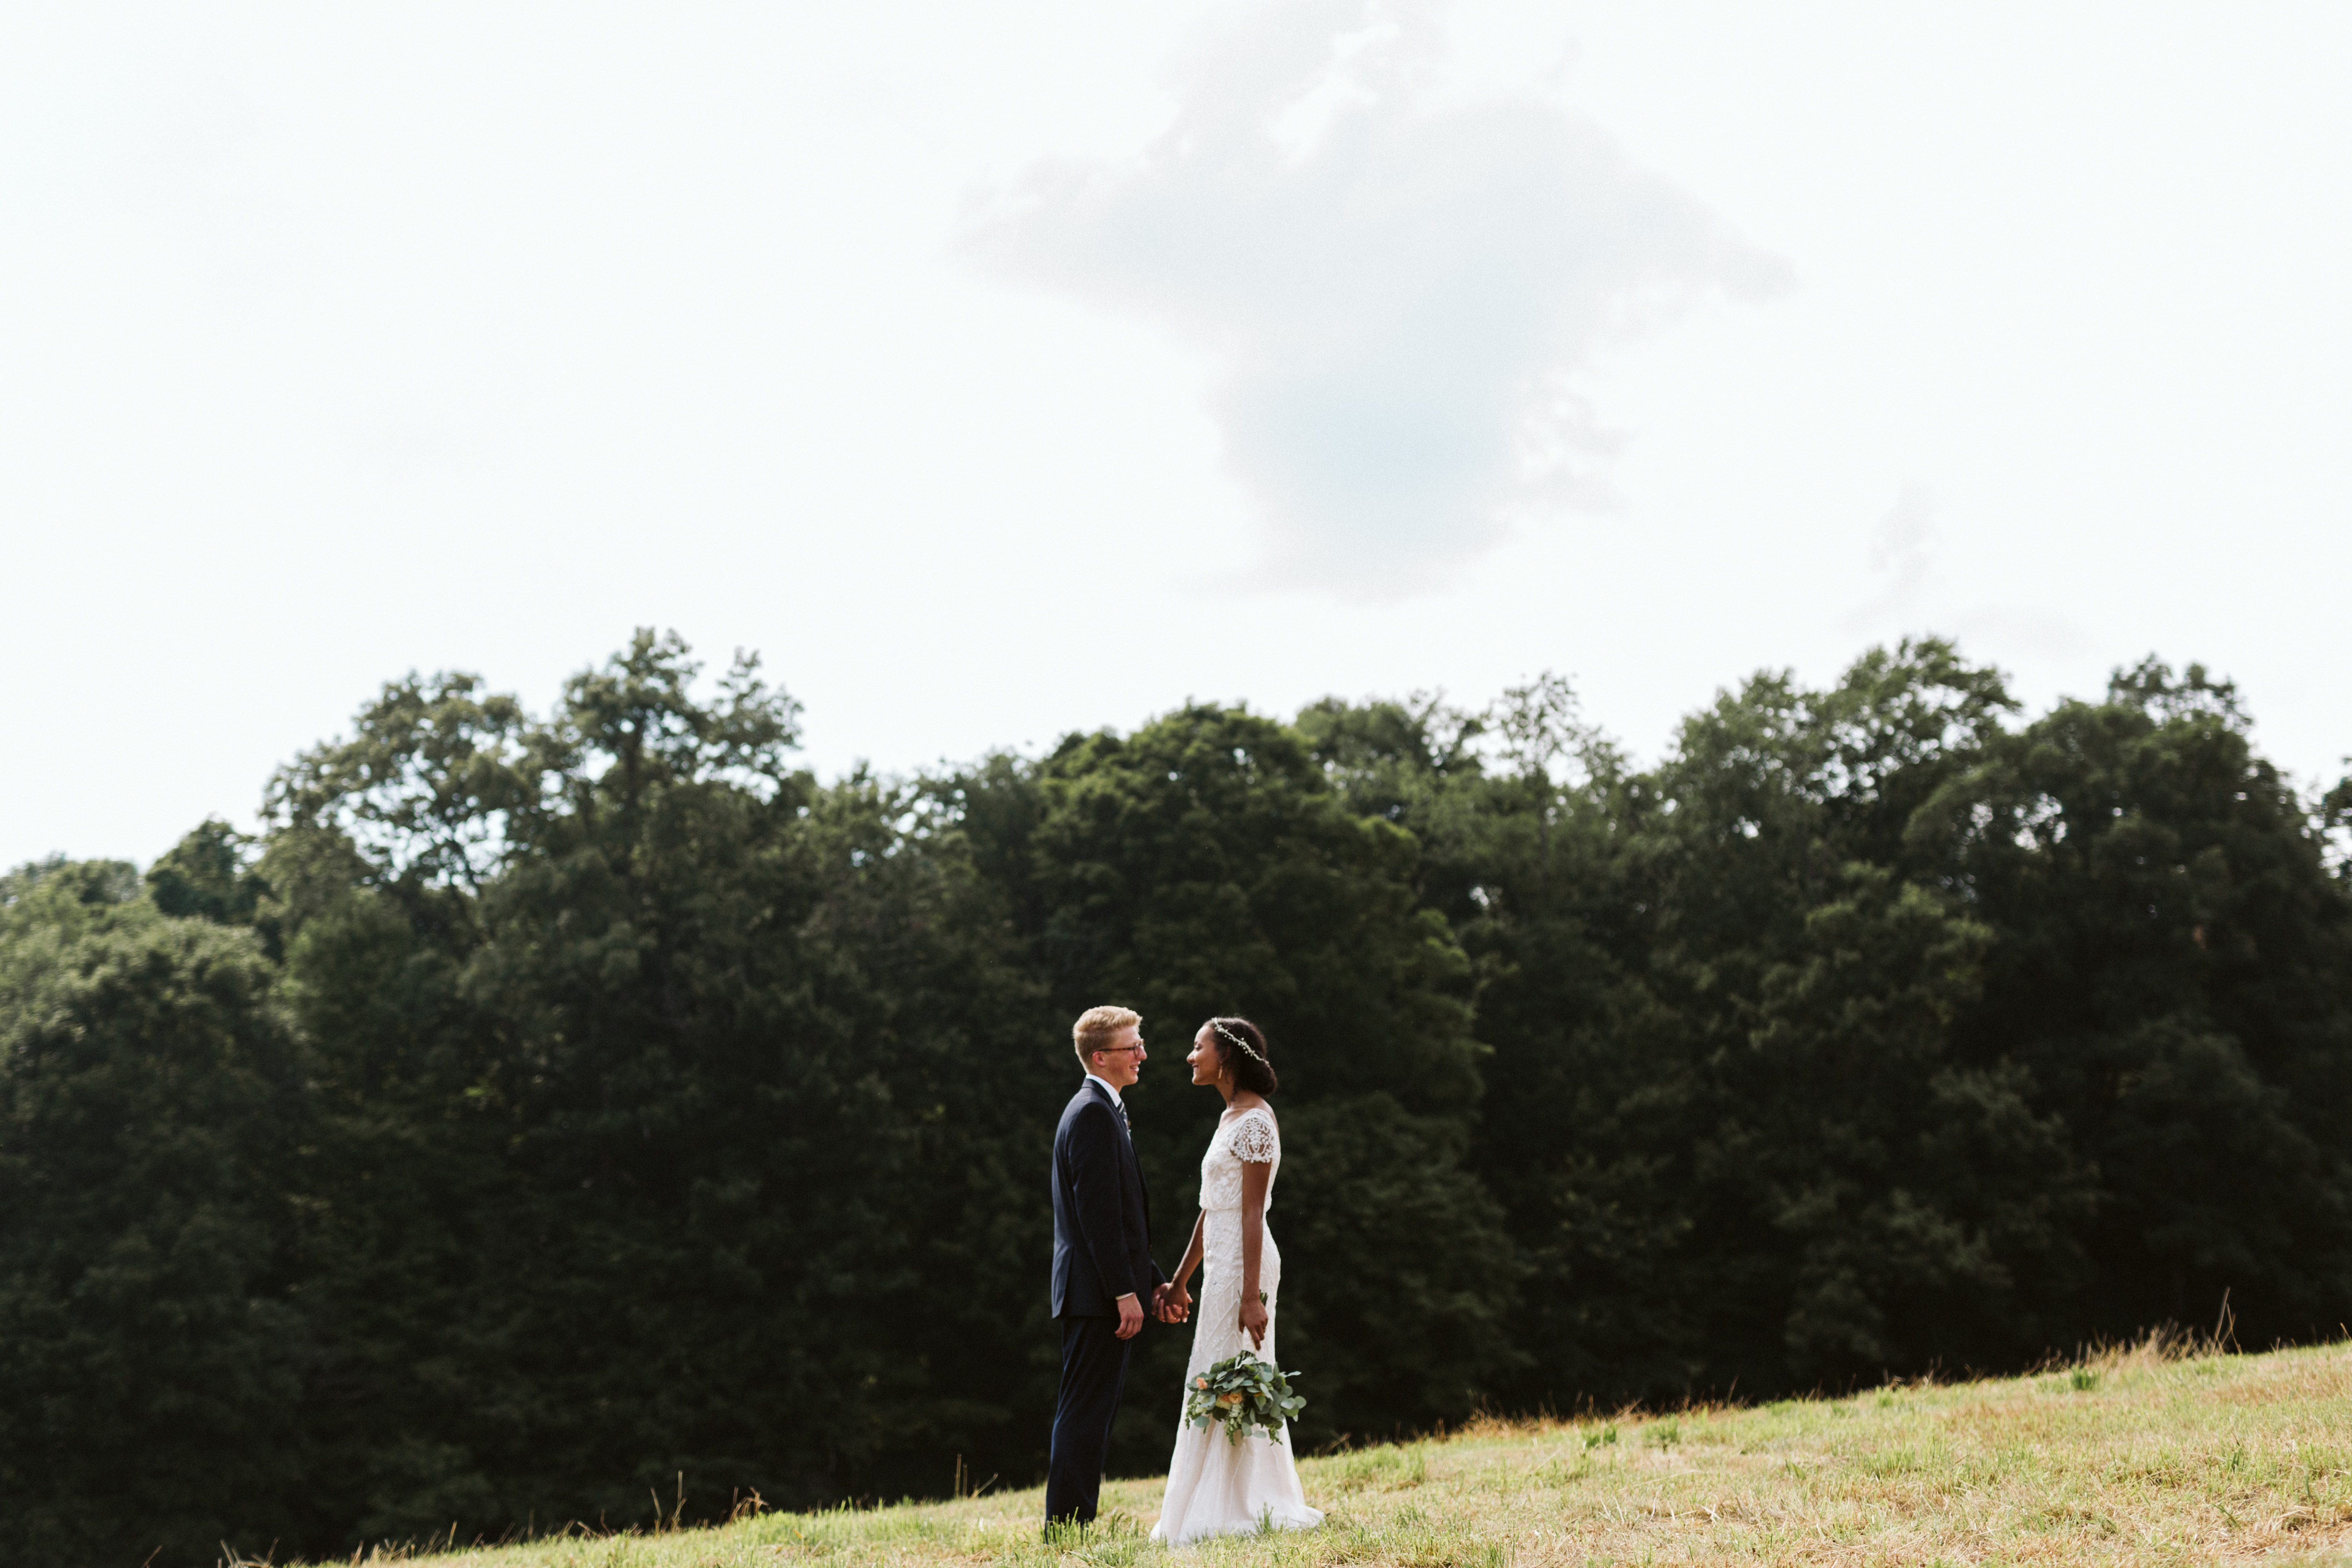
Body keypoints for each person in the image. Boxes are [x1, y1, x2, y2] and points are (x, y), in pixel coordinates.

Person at [1148, 1016, 1324, 1543]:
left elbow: (1251, 1214)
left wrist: (1251, 1296)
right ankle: (1208, 1501)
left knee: (1236, 1378)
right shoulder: (1228, 1119)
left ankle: (1239, 1505)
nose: (1189, 1056)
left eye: (1196, 1047)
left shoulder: (1256, 1123)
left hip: (1246, 1268)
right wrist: (1180, 1281)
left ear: (1225, 1057)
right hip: (1220, 1264)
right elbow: (1211, 1210)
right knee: (1209, 1374)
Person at [1045, 1005, 1172, 1531]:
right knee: (1084, 1412)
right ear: (1101, 1057)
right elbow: (1097, 1217)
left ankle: (1073, 1525)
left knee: (1091, 1411)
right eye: (1133, 1047)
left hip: (1099, 1289)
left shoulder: (1103, 1108)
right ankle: (1067, 1530)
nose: (1143, 1054)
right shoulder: (1093, 1112)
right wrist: (1124, 1291)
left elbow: (1121, 1217)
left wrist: (1153, 1280)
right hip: (1095, 1294)